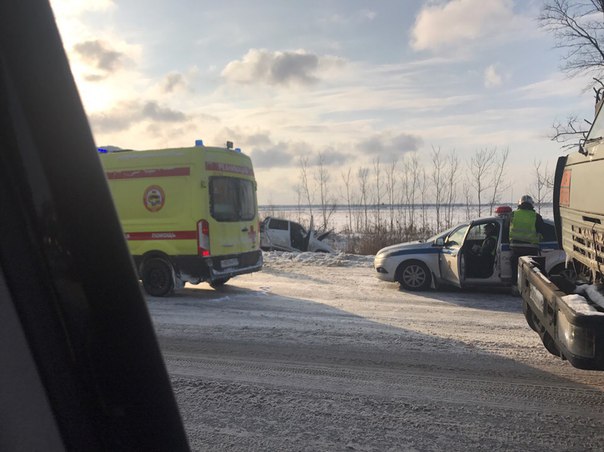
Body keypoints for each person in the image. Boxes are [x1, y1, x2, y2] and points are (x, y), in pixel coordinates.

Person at [509, 195, 545, 290]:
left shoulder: (513, 215)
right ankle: (530, 289)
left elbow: (505, 229)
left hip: (515, 247)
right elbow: (542, 231)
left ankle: (515, 288)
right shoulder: (536, 216)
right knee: (531, 271)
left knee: (515, 269)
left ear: (519, 204)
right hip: (531, 248)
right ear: (531, 204)